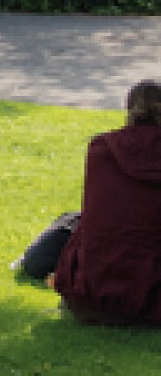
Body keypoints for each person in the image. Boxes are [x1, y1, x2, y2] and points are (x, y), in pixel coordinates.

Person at [17, 81, 161, 325]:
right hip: (148, 291)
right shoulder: (104, 148)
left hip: (94, 294)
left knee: (69, 225)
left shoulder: (103, 148)